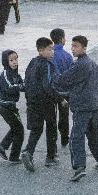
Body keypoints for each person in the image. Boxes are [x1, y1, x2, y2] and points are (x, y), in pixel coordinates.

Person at [51, 35, 98, 182]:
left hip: (82, 106)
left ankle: (79, 167)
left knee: (76, 137)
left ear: (84, 48)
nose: (72, 49)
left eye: (76, 46)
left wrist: (52, 79)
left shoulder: (80, 65)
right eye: (72, 46)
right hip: (93, 106)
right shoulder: (92, 63)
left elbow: (64, 80)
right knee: (92, 134)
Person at [22, 37, 61, 168]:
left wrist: (29, 100)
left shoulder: (32, 63)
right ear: (40, 50)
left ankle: (29, 151)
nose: (52, 52)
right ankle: (50, 157)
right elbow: (48, 85)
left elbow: (26, 82)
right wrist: (60, 99)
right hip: (46, 102)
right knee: (51, 128)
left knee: (36, 129)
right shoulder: (47, 65)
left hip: (33, 102)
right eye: (49, 49)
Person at [0, 49, 28, 163]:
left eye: (16, 59)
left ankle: (4, 149)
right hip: (5, 106)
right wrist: (20, 86)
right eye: (11, 60)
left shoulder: (16, 74)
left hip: (11, 106)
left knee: (16, 129)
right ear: (5, 62)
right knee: (19, 130)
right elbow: (9, 87)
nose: (14, 62)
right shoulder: (5, 74)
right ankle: (10, 153)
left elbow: (23, 85)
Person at [48, 27, 73, 146]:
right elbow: (72, 73)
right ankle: (64, 136)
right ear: (62, 39)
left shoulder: (50, 55)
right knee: (64, 115)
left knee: (52, 115)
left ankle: (52, 138)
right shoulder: (67, 56)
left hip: (52, 90)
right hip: (65, 91)